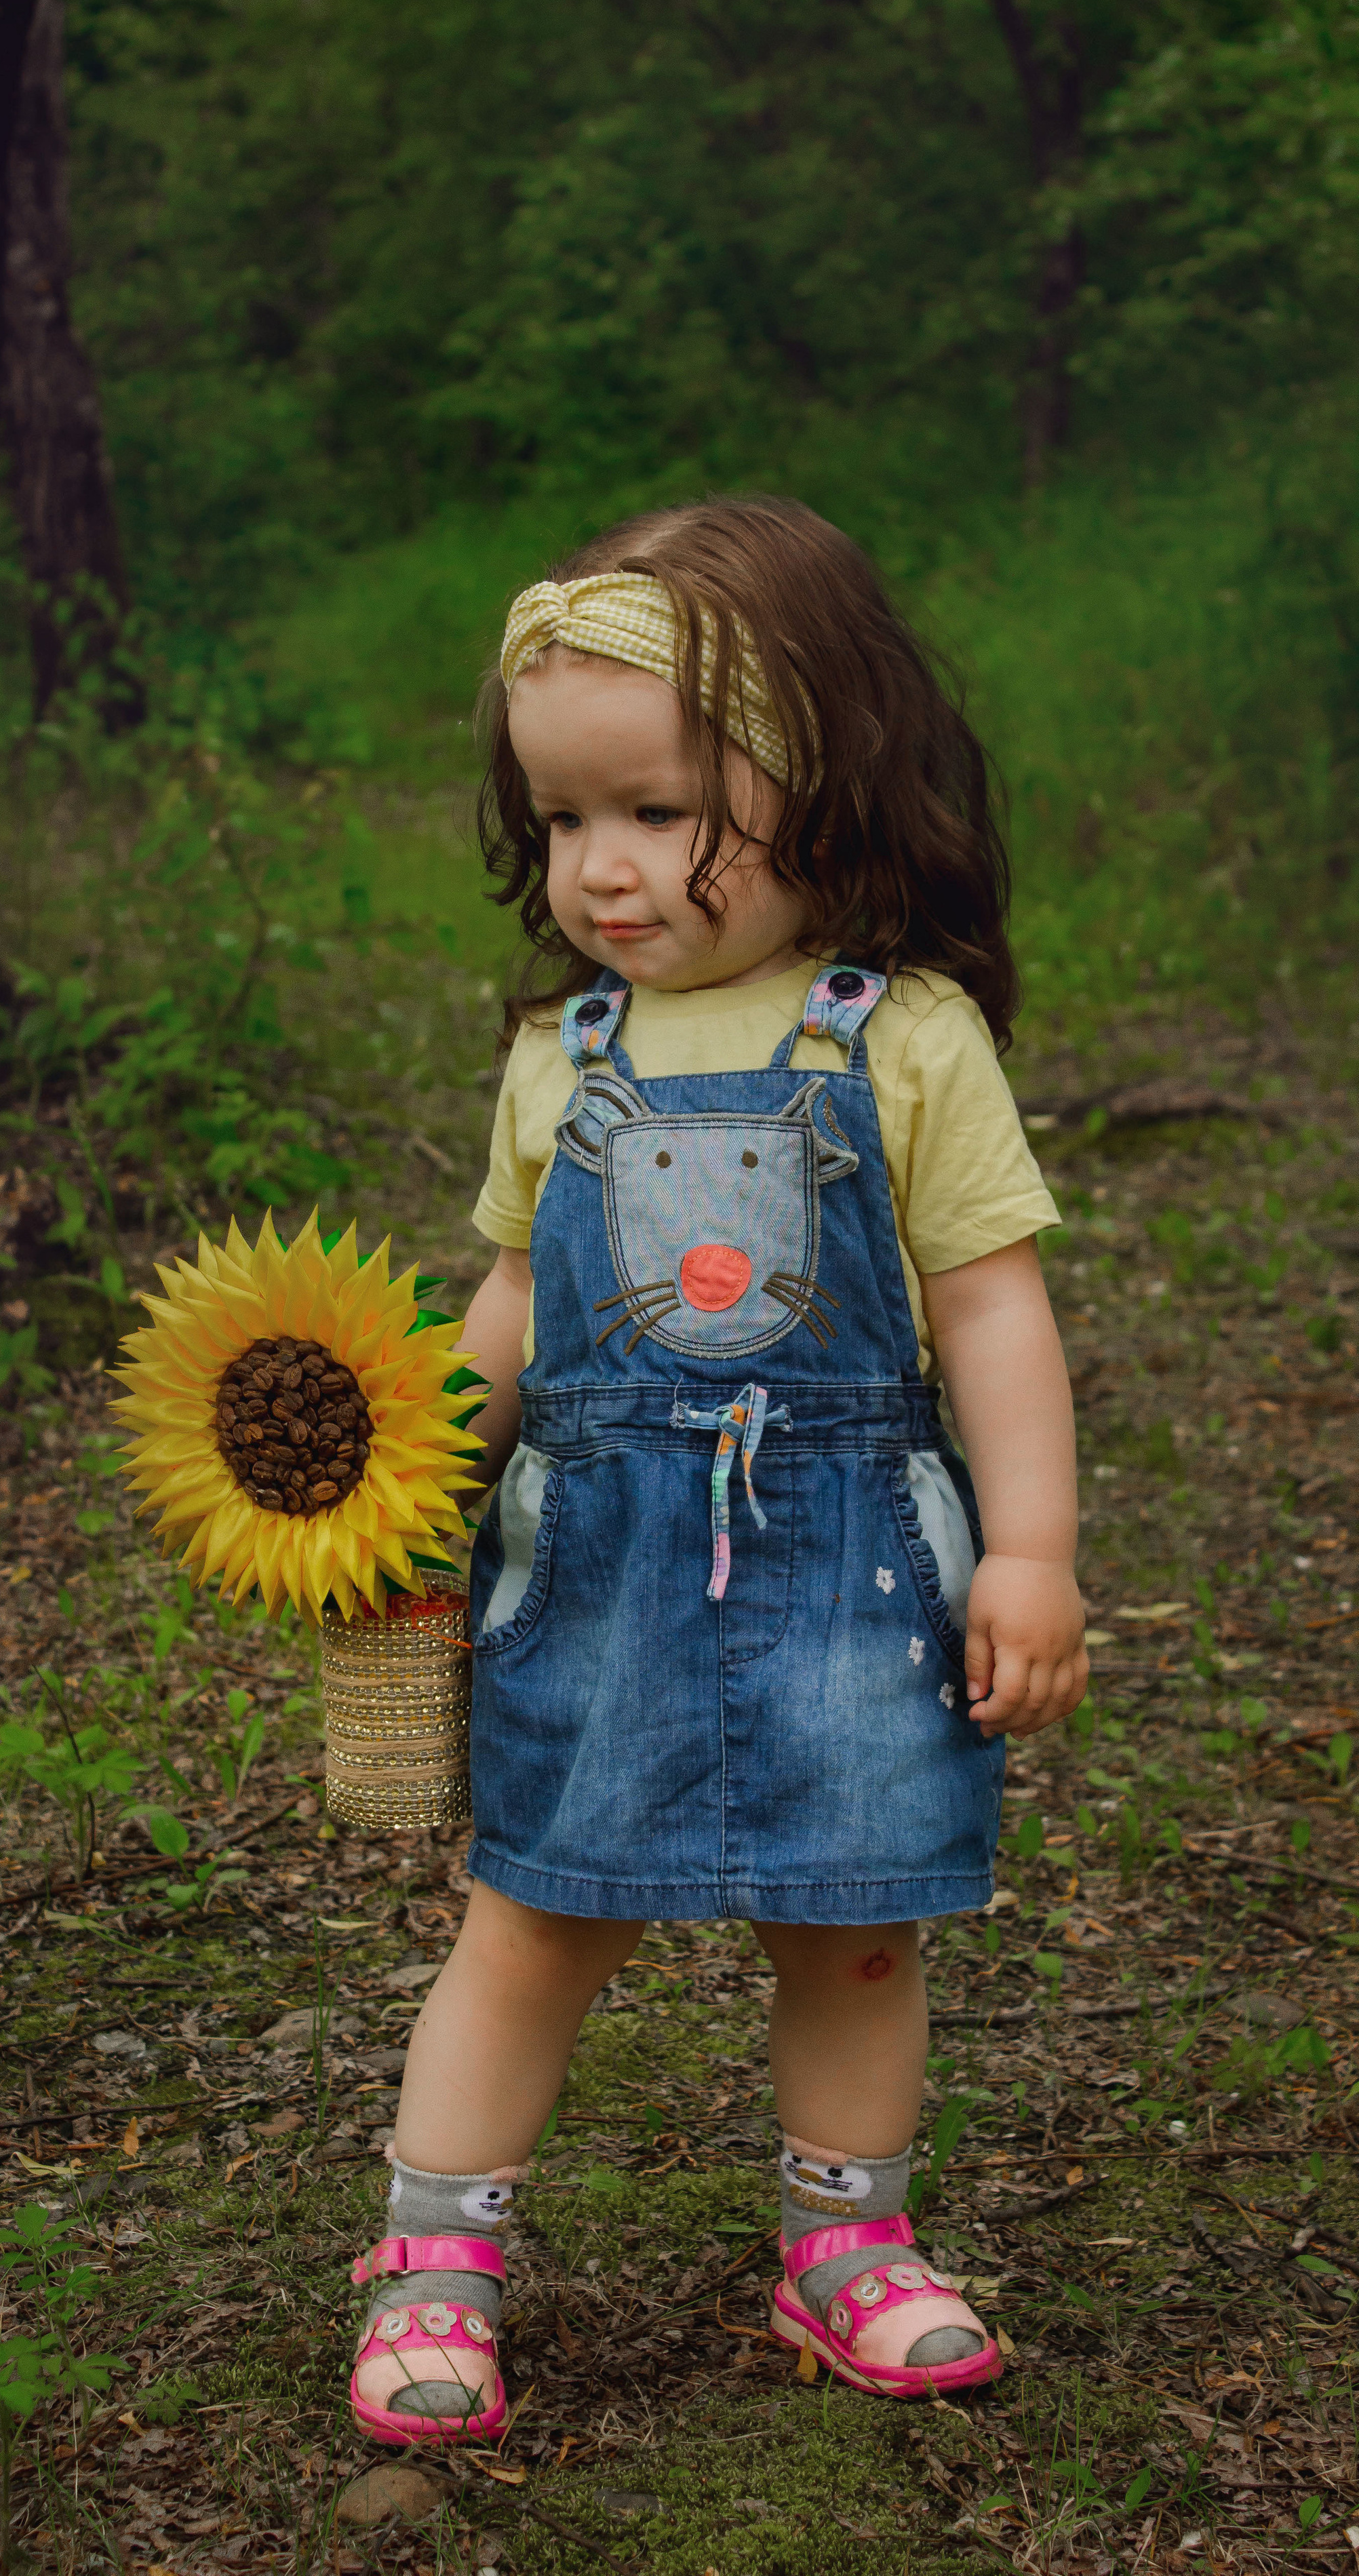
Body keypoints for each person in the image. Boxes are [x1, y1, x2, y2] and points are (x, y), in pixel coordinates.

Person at [347, 496, 1088, 2441]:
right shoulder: (562, 1053)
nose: (603, 869)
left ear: (829, 774)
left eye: (659, 812)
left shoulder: (905, 1037)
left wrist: (1032, 1551)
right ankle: (438, 2255)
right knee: (533, 1910)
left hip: (845, 1559)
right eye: (565, 820)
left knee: (854, 1920)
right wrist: (411, 1476)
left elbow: (993, 1312)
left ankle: (847, 2244)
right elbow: (511, 1303)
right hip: (593, 1560)